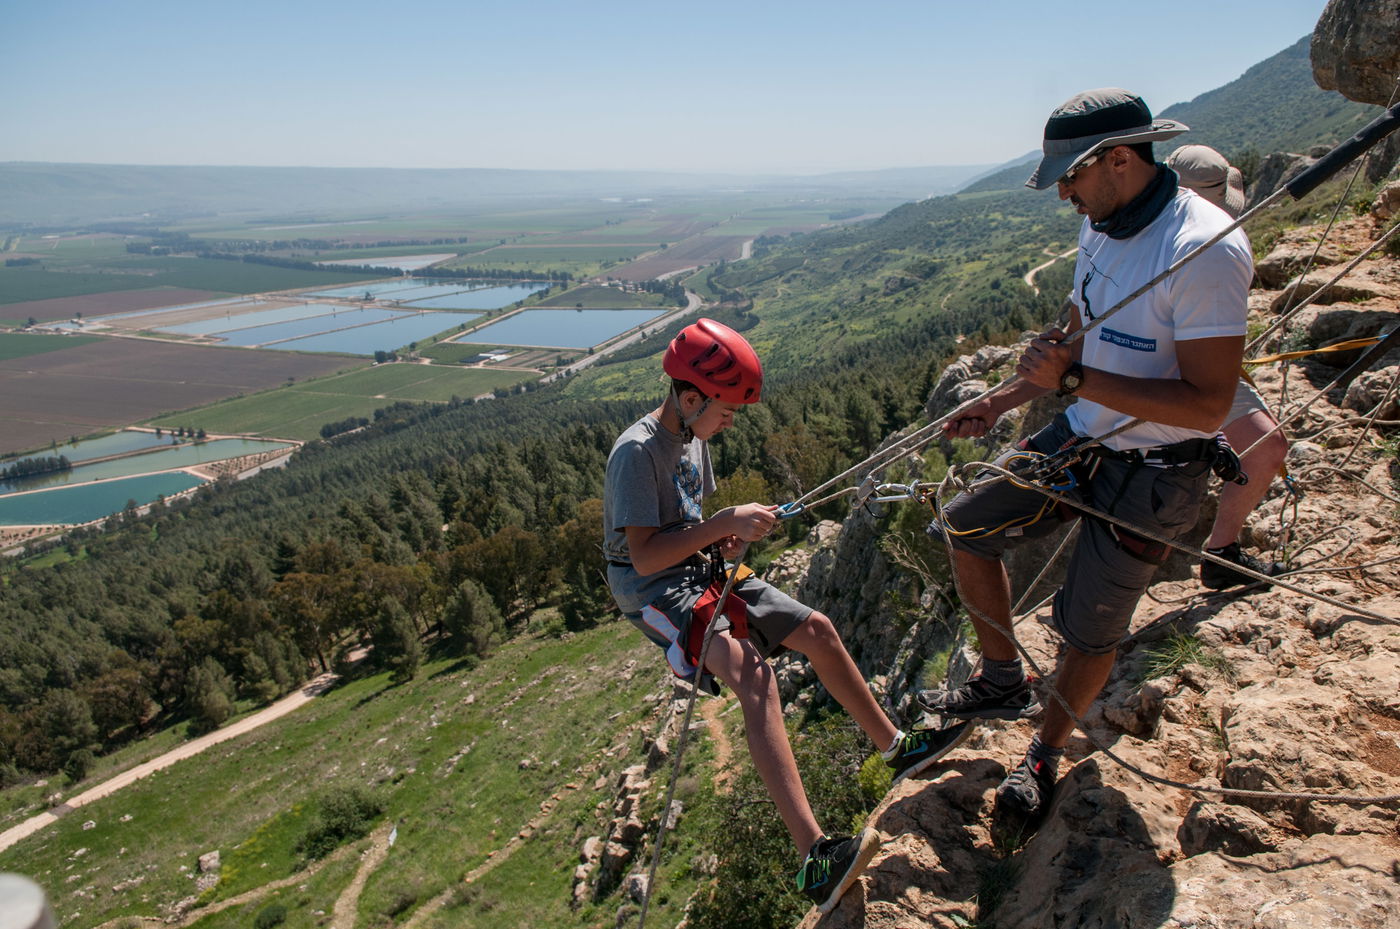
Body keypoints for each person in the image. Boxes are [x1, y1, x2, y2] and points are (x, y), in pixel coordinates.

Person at [919, 90, 1253, 823]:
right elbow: (1081, 320)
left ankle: (1041, 753)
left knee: (1088, 629)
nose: (1065, 194)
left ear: (1121, 161)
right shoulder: (1104, 223)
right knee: (965, 524)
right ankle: (1002, 677)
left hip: (1159, 469)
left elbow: (1206, 404)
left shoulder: (1204, 250)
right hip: (1082, 430)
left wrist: (1069, 380)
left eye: (1071, 177)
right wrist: (1006, 400)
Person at [603, 318, 968, 912]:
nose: (729, 421)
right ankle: (815, 859)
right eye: (725, 409)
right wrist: (723, 526)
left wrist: (725, 538)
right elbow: (644, 555)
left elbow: (691, 525)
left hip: (692, 565)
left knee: (818, 630)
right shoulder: (636, 454)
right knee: (756, 677)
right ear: (690, 396)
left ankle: (897, 747)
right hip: (650, 590)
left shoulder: (694, 439)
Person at [1165, 144, 1289, 588]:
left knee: (1263, 445)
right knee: (1266, 446)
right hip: (1175, 366)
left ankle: (1219, 552)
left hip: (1175, 363)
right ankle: (1220, 552)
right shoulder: (1206, 243)